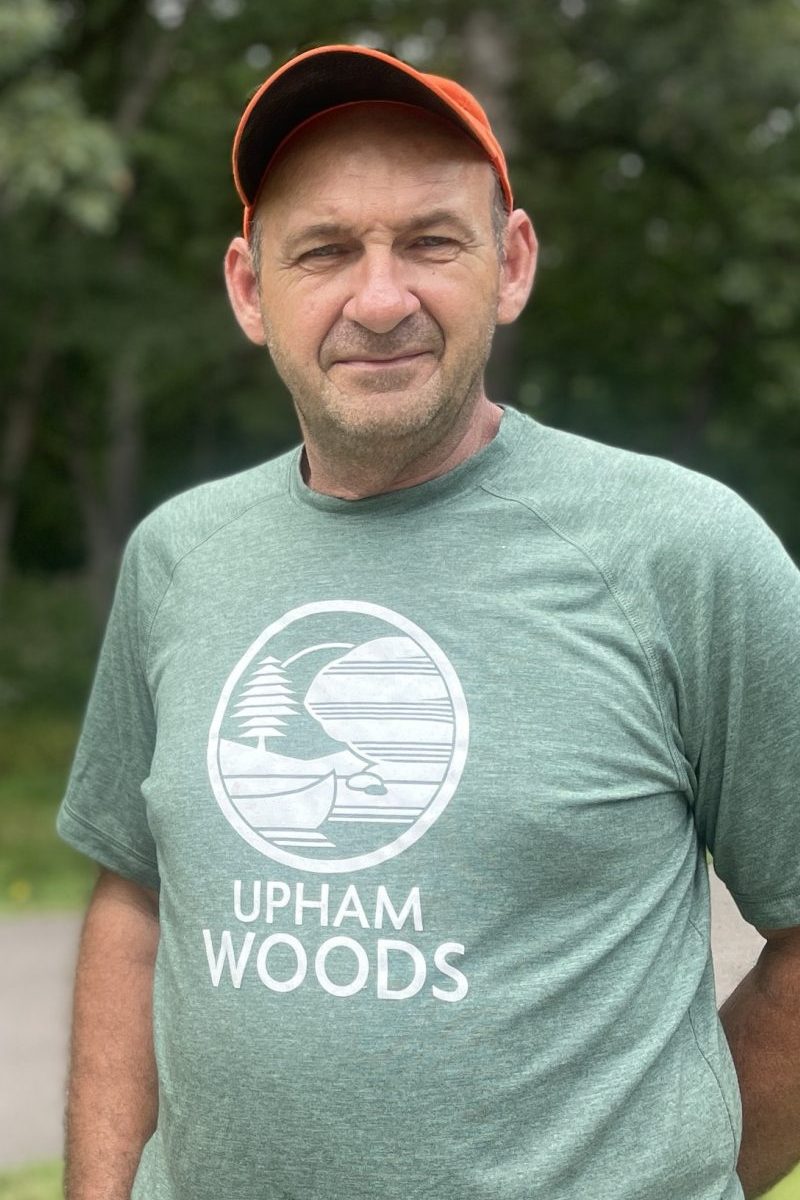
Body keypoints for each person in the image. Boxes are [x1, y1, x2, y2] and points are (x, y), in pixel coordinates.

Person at [57, 43, 800, 1200]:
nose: (379, 299)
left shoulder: (682, 553)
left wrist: (685, 1168)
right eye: (324, 250)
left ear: (511, 264)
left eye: (430, 242)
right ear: (250, 290)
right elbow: (133, 895)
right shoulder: (177, 559)